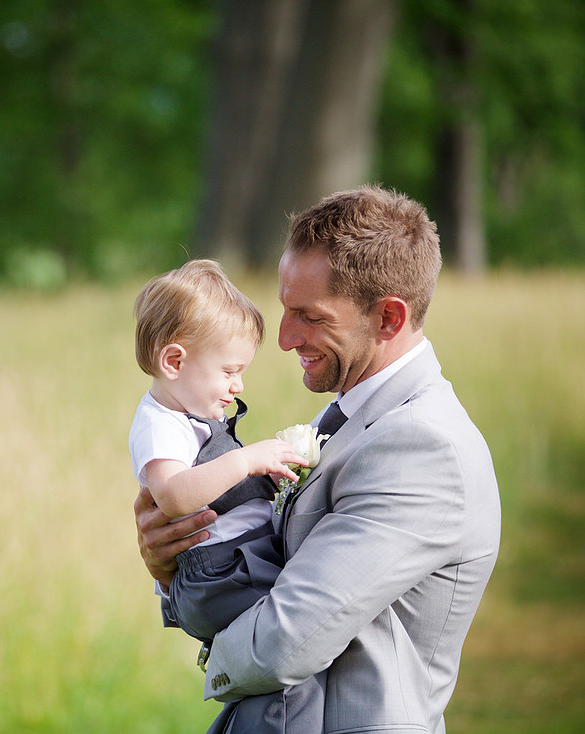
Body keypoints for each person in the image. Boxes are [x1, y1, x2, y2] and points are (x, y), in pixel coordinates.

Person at [134, 186, 501, 734]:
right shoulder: (351, 416)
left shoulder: (424, 448)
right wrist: (173, 567)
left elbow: (284, 642)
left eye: (309, 316)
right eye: (285, 309)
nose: (283, 338)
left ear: (389, 319)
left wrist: (211, 645)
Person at [129, 259, 327, 732]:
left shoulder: (193, 415)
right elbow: (176, 497)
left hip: (233, 565)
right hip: (219, 574)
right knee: (300, 638)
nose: (238, 386)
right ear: (174, 362)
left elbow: (220, 497)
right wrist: (246, 460)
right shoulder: (159, 425)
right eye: (229, 372)